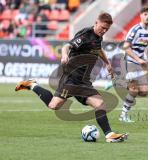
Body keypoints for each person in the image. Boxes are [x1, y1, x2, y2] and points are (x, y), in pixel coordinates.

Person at [15, 12, 127, 143]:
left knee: (100, 104)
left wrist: (107, 63)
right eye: (102, 27)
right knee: (54, 106)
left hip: (84, 82)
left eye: (106, 29)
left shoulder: (98, 37)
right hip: (71, 79)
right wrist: (64, 55)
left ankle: (109, 135)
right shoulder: (85, 35)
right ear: (96, 22)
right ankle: (32, 85)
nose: (104, 31)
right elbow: (67, 46)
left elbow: (98, 48)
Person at [119, 7, 148, 122]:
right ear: (141, 15)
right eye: (145, 14)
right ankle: (123, 115)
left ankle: (121, 81)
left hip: (139, 61)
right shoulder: (135, 30)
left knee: (143, 91)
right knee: (134, 90)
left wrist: (147, 57)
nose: (147, 16)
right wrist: (138, 60)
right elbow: (126, 47)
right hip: (129, 61)